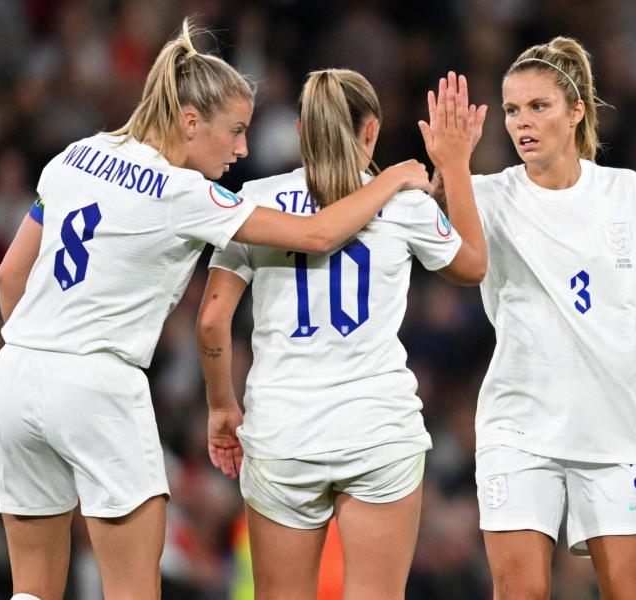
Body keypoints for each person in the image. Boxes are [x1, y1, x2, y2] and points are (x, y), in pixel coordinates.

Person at [0, 19, 432, 600]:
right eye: (237, 130)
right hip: (98, 381)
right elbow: (320, 234)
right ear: (190, 122)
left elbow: (9, 276)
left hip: (16, 373)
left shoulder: (75, 155)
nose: (244, 149)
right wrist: (393, 177)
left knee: (32, 589)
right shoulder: (183, 193)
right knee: (131, 589)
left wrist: (43, 356)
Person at [196, 69, 486, 599]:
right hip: (376, 430)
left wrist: (222, 407)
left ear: (303, 130)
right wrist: (456, 165)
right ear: (371, 131)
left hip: (284, 433)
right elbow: (472, 264)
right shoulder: (404, 204)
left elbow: (213, 320)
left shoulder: (254, 201)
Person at [464, 37, 636, 598]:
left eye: (539, 106)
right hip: (519, 427)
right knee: (521, 593)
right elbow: (421, 209)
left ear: (576, 110)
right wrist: (445, 165)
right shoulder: (485, 195)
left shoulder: (625, 192)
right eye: (511, 109)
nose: (521, 122)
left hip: (614, 431)